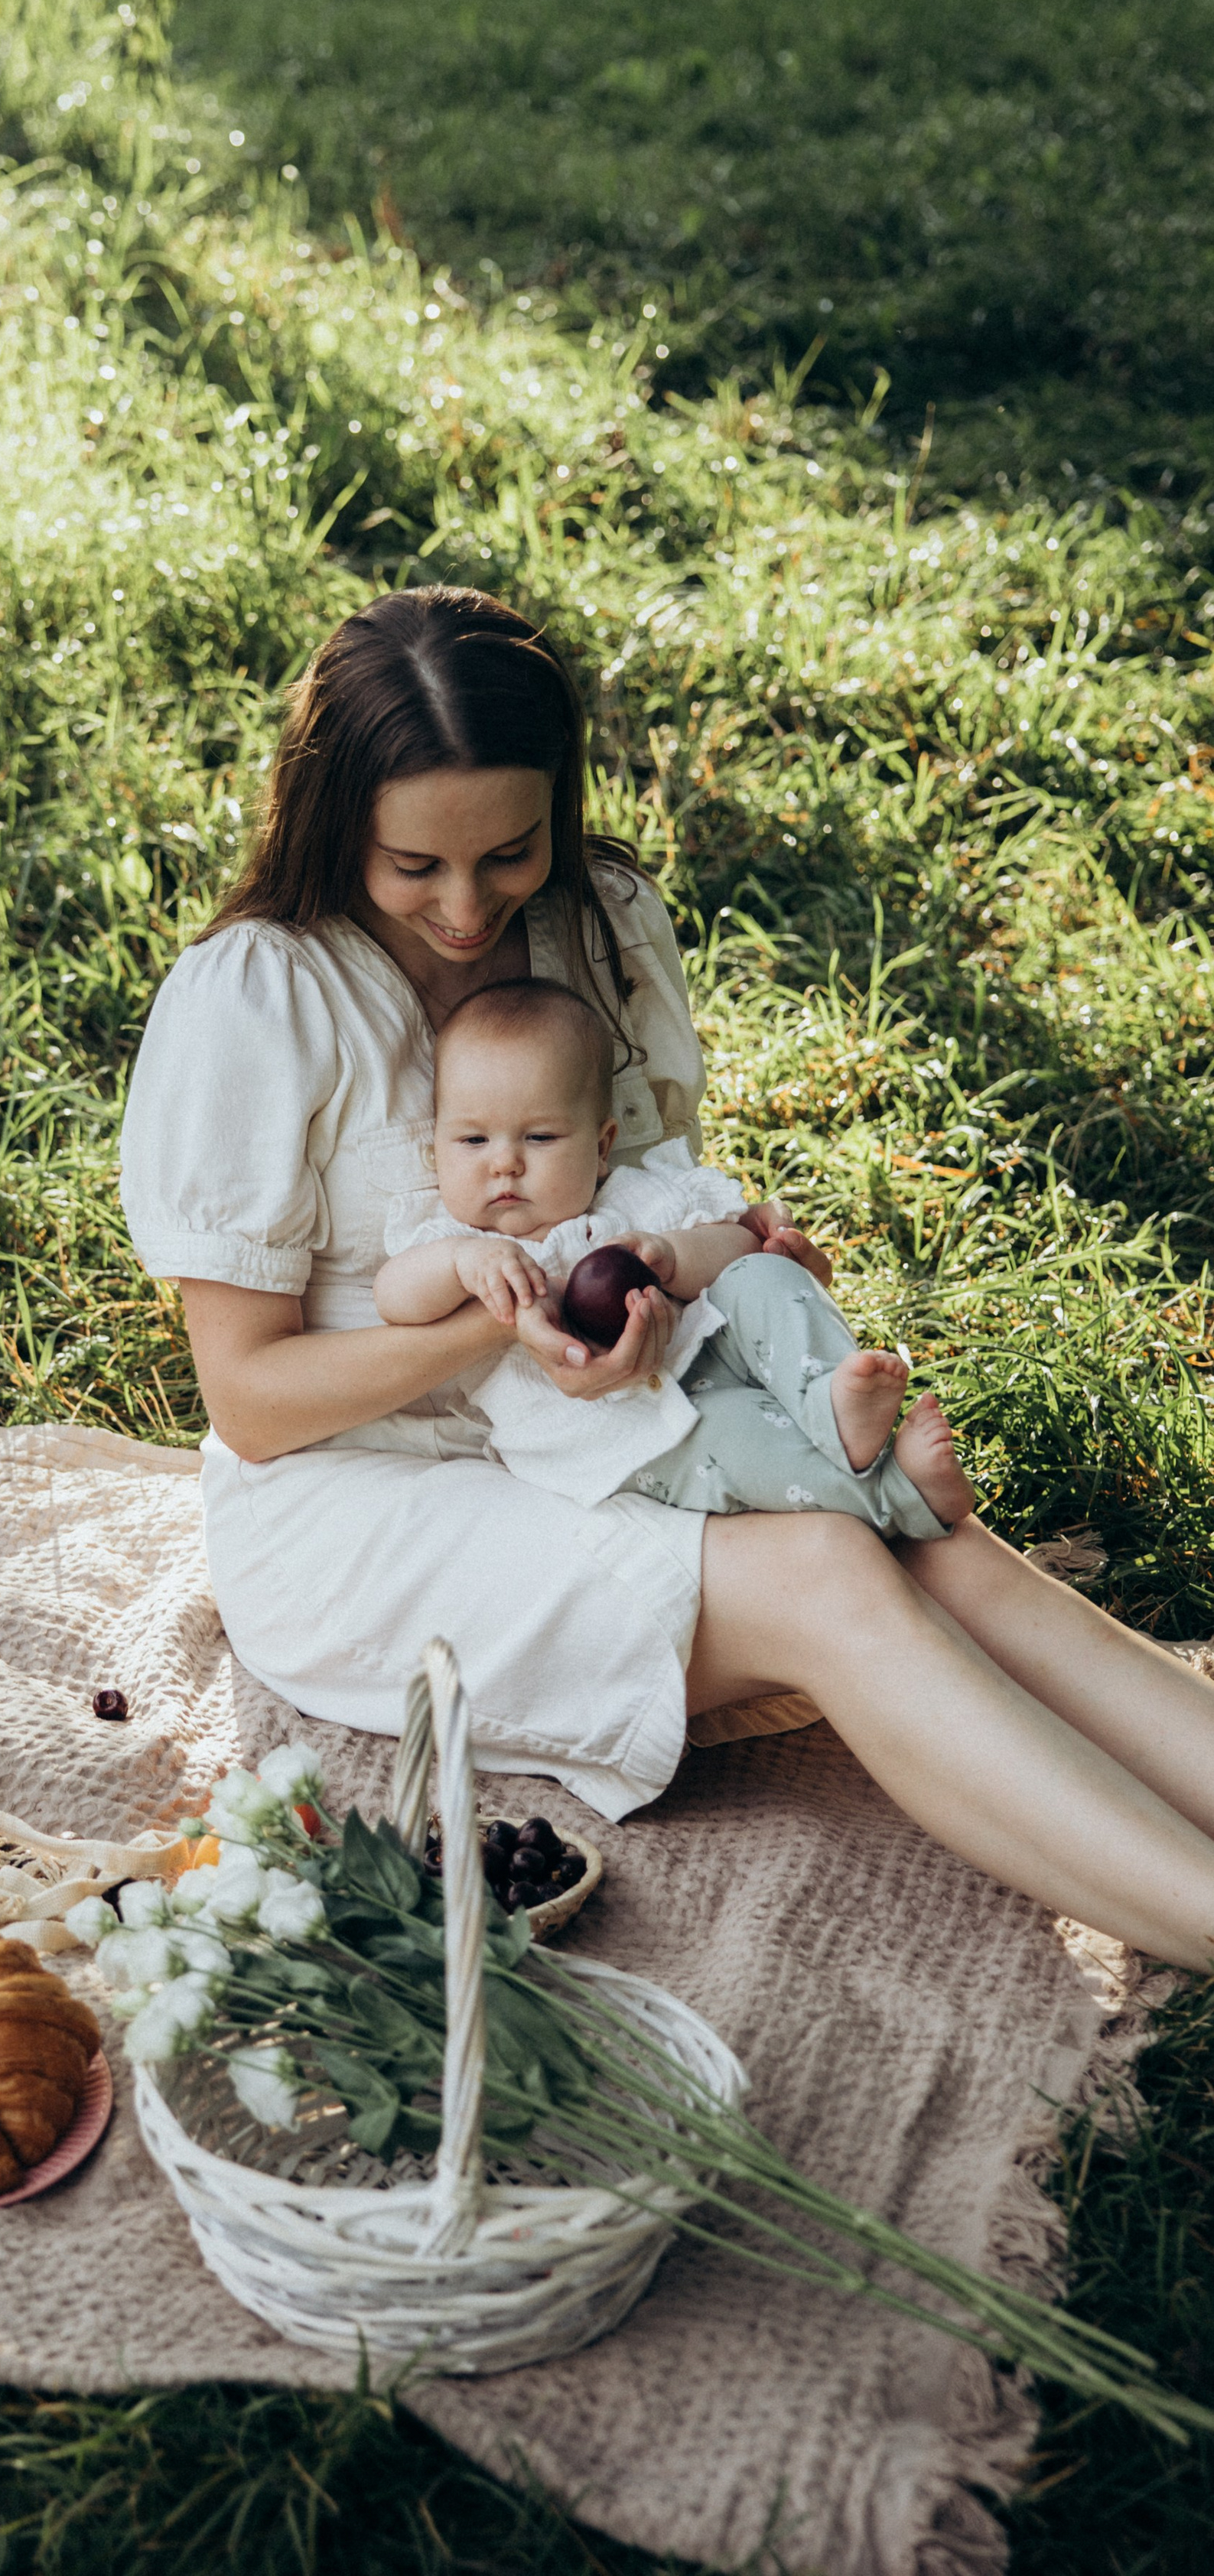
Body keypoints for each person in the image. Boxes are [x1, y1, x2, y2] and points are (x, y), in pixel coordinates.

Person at [119, 586, 1214, 1967]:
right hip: (360, 1500)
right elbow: (256, 1403)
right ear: (337, 825)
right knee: (829, 1567)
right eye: (414, 869)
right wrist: (498, 1331)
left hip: (601, 1434)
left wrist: (677, 1287)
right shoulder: (259, 997)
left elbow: (629, 1195)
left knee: (936, 1545)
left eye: (508, 855)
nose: (466, 911)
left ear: (558, 813)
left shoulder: (604, 920)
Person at [371, 974, 970, 1537]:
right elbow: (394, 1297)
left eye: (541, 1137)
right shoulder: (448, 1237)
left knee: (761, 1271)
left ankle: (830, 1400)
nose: (505, 1162)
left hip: (715, 1348)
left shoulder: (635, 1196)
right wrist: (460, 1264)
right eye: (473, 1140)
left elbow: (738, 1245)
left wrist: (670, 1254)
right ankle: (902, 1496)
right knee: (738, 1445)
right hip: (620, 1436)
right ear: (437, 1149)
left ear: (602, 1146)